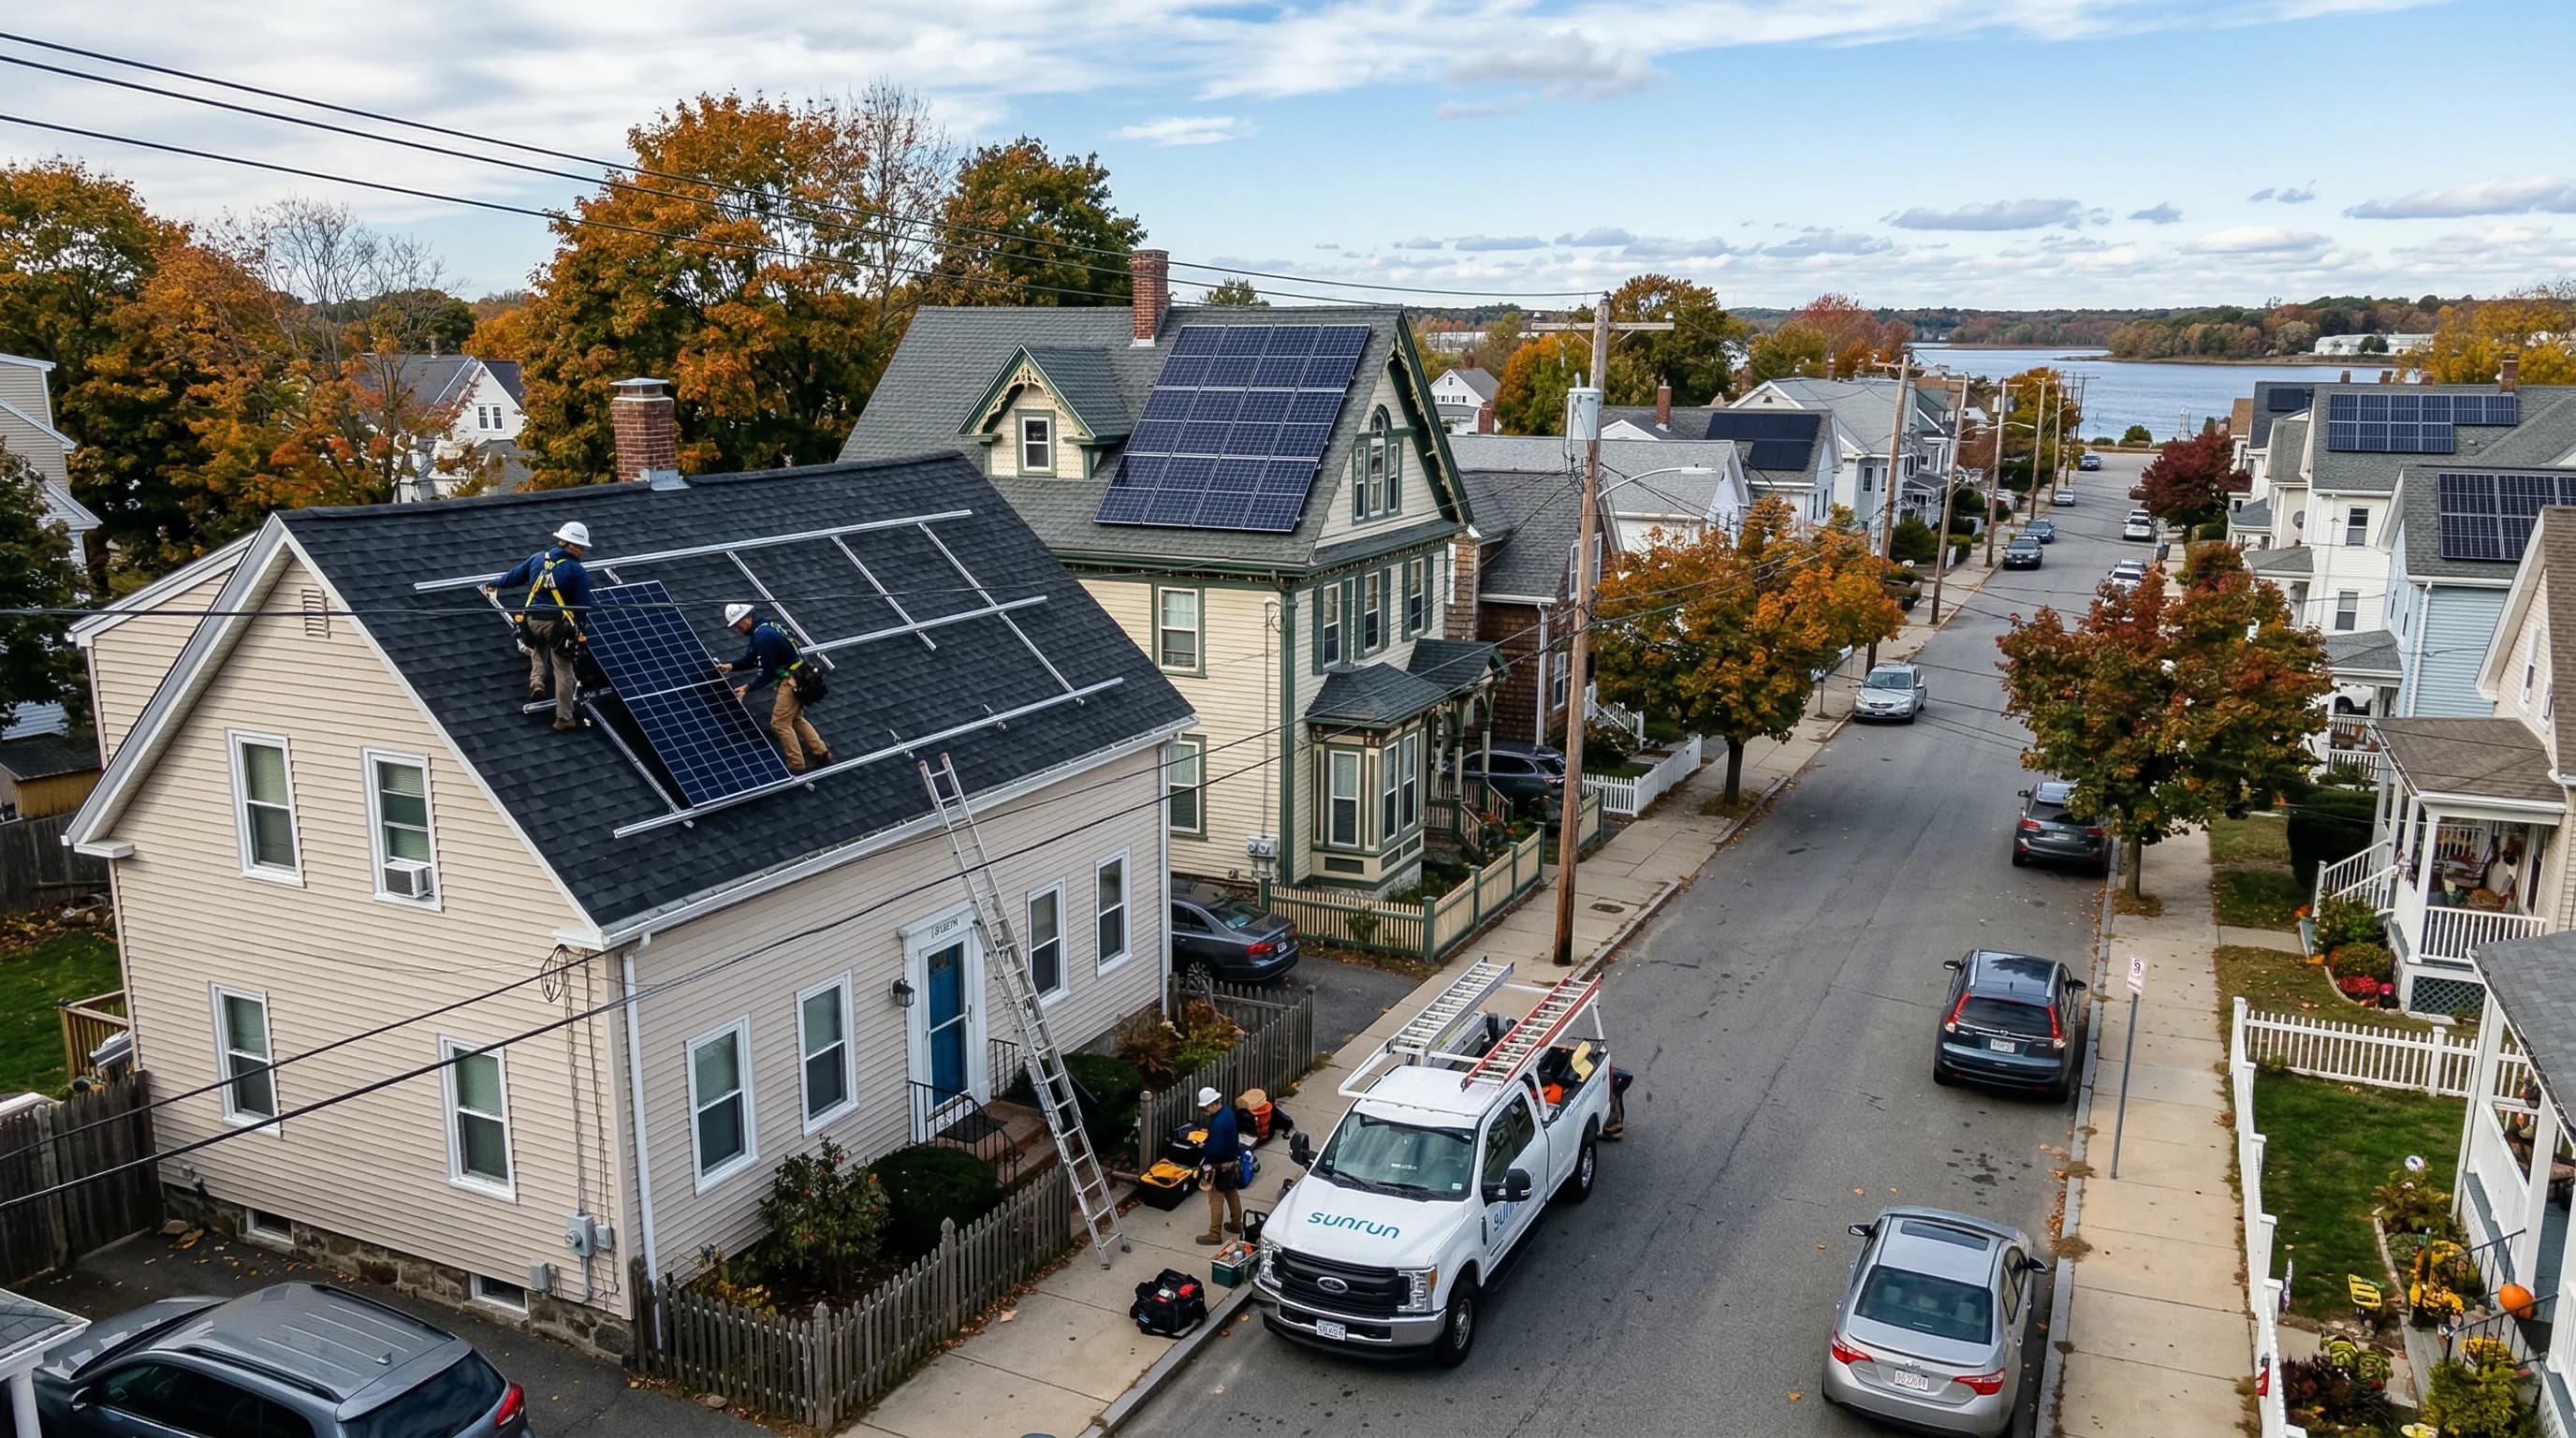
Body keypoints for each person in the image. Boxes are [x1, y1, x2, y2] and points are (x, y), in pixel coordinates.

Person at [489, 521, 595, 731]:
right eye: (580, 547)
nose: (582, 552)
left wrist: (494, 583)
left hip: (531, 620)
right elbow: (582, 605)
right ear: (570, 545)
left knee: (538, 645)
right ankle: (564, 718)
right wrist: (581, 631)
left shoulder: (538, 558)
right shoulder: (576, 571)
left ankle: (537, 681)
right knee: (563, 670)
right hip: (556, 624)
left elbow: (511, 578)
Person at [715, 604, 831, 773]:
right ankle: (821, 752)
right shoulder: (764, 627)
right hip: (801, 674)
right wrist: (732, 666)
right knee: (795, 718)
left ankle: (796, 765)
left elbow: (767, 672)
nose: (737, 630)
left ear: (746, 619)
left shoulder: (763, 637)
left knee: (779, 723)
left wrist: (748, 688)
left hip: (792, 680)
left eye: (738, 626)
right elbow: (752, 658)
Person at [1195, 1086, 1243, 1247]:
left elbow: (1215, 1150)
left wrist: (1204, 1150)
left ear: (1213, 1104)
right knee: (1232, 1193)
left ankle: (1214, 1235)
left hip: (1219, 1167)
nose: (1204, 1112)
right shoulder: (1227, 1112)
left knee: (1215, 1200)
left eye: (1205, 1108)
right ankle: (1236, 1224)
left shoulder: (1217, 1124)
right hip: (1232, 1163)